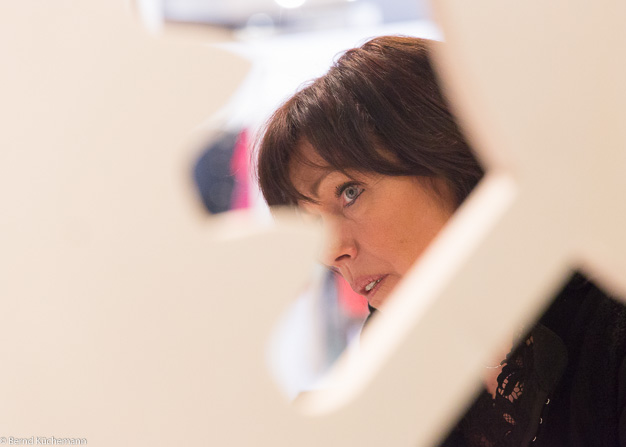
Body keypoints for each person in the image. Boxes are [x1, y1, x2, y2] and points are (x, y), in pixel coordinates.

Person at [255, 36, 626, 446]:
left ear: (450, 154)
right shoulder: (393, 349)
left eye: (349, 192)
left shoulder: (608, 311)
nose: (331, 251)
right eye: (312, 226)